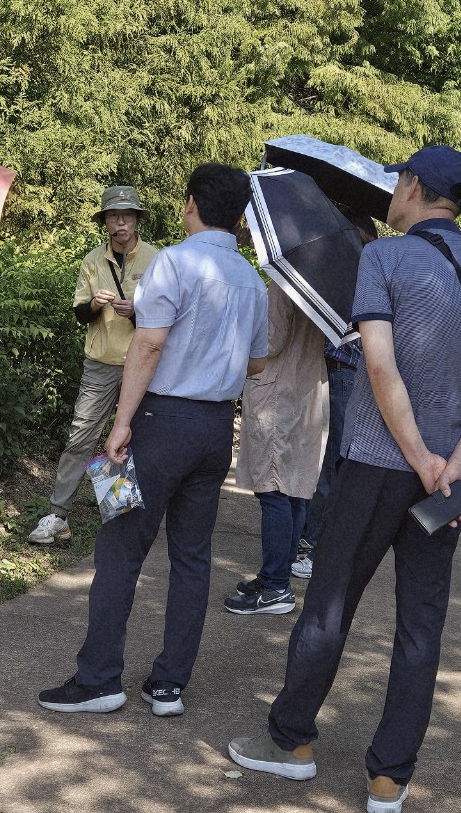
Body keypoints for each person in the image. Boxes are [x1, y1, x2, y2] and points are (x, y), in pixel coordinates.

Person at [227, 145, 461, 813]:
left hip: (375, 466)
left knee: (330, 603)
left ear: (414, 186)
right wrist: (453, 464)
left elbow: (381, 369)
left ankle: (291, 741)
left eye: (397, 181)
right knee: (421, 623)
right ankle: (389, 777)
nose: (391, 191)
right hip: (445, 483)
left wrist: (415, 453)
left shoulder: (383, 257)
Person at [37, 163, 268, 718]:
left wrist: (120, 424)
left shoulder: (174, 261)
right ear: (238, 217)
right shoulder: (250, 280)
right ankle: (168, 685)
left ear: (190, 204)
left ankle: (98, 678)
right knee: (192, 556)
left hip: (161, 421)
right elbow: (258, 361)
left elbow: (147, 347)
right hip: (215, 427)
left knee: (120, 545)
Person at [27, 186, 159, 545]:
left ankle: (127, 517)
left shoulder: (158, 259)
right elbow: (79, 314)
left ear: (136, 220)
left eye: (127, 215)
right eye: (114, 216)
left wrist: (137, 311)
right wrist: (96, 306)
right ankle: (58, 516)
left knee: (138, 441)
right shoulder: (92, 261)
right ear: (105, 222)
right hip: (100, 364)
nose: (121, 222)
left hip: (143, 363)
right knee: (80, 437)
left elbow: (170, 318)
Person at [227, 283, 327, 614]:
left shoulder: (286, 286)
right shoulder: (322, 288)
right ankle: (277, 576)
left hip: (277, 391)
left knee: (273, 490)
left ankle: (275, 586)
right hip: (305, 390)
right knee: (293, 489)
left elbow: (269, 342)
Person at [295, 212, 379, 580]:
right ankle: (311, 537)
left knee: (330, 460)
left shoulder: (363, 277)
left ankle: (315, 544)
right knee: (323, 457)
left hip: (346, 374)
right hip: (336, 373)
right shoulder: (359, 274)